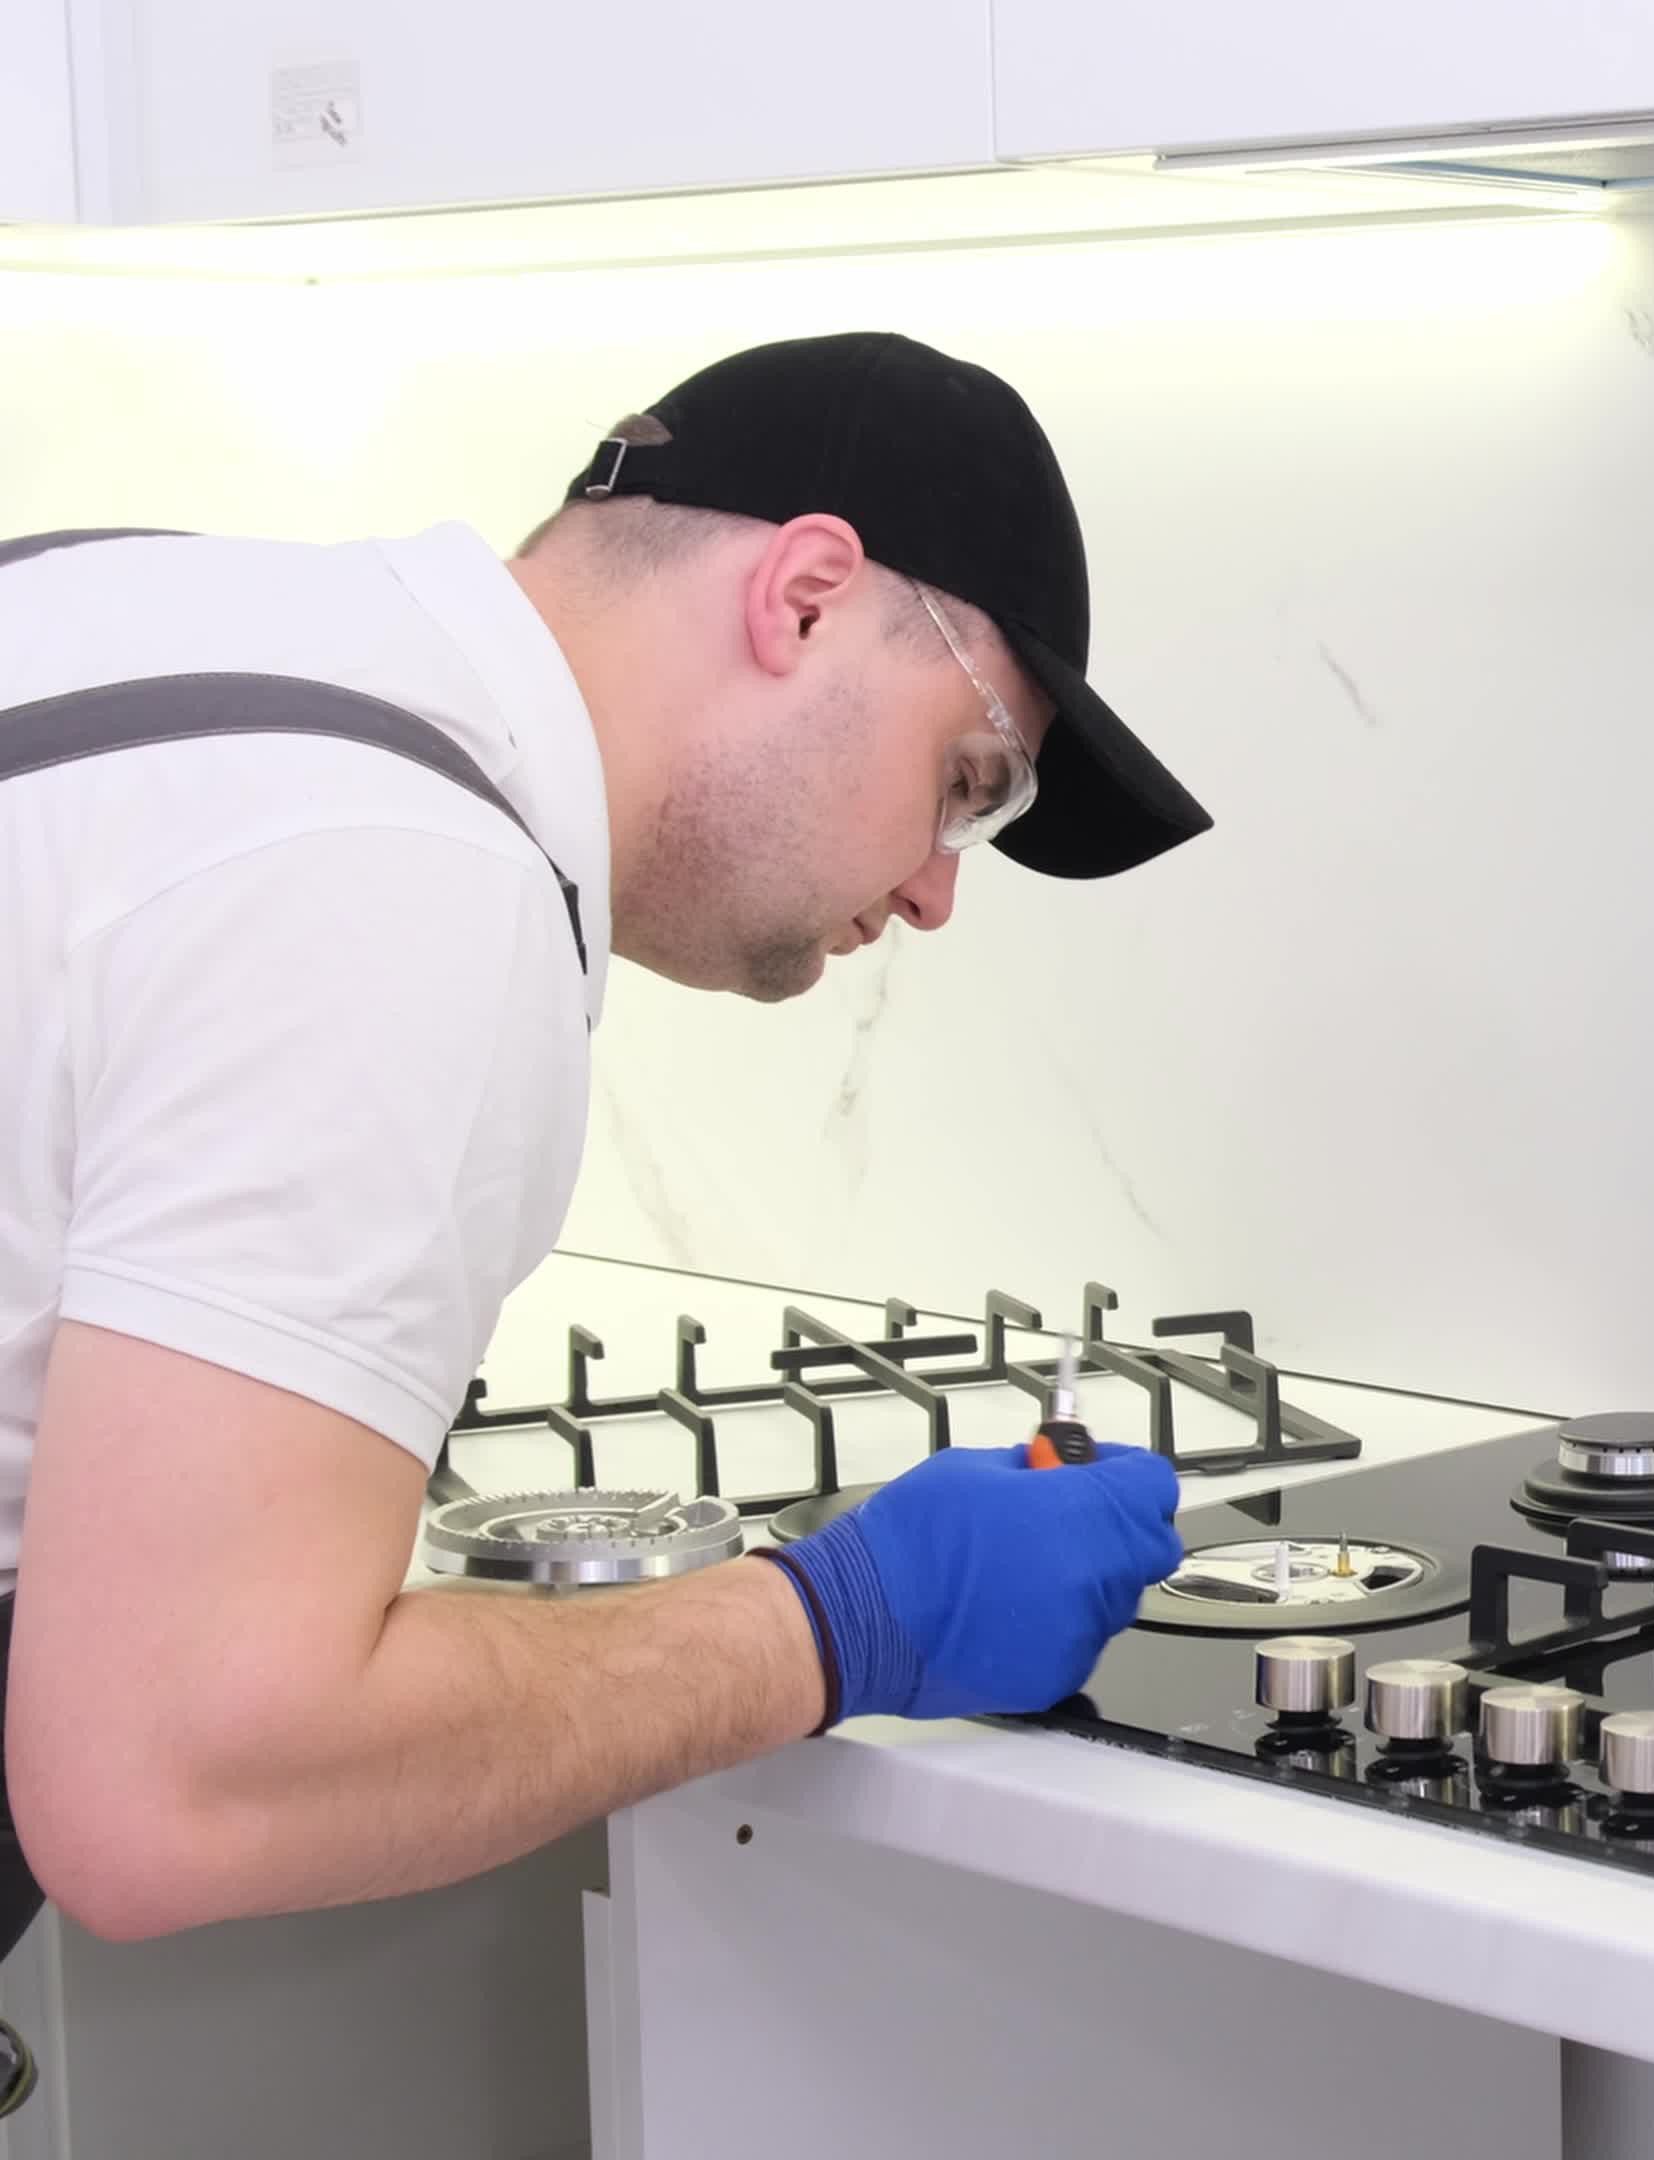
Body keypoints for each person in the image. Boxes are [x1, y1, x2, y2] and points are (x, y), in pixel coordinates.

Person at [0, 330, 1211, 1953]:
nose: (937, 891)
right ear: (804, 598)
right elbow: (179, 1787)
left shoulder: (118, 604)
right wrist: (841, 1621)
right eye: (968, 780)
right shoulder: (404, 874)